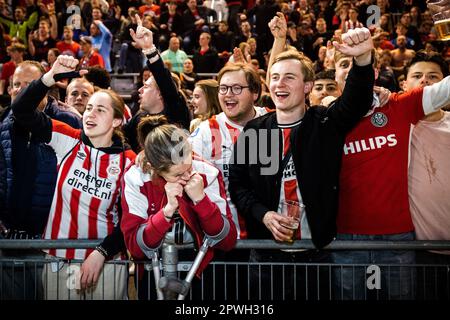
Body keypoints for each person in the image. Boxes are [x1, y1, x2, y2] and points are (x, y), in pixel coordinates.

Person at [228, 17, 375, 300]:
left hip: (317, 256)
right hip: (267, 259)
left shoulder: (324, 123)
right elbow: (239, 186)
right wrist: (264, 214)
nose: (279, 83)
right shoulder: (255, 131)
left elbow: (356, 100)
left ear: (308, 87)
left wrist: (363, 59)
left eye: (289, 77)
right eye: (274, 77)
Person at [10, 55, 136, 300]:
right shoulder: (68, 138)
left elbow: (131, 220)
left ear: (117, 120)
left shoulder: (129, 161)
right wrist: (49, 77)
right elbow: (21, 110)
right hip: (59, 259)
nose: (90, 114)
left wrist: (101, 253)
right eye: (89, 108)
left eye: (100, 109)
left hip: (106, 262)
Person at [333, 46, 450, 301]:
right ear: (335, 76)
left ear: (373, 74)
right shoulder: (323, 117)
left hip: (399, 237)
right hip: (346, 238)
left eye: (360, 68)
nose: (352, 73)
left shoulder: (399, 106)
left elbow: (444, 89)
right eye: (345, 66)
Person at [121, 115, 237, 300]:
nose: (187, 176)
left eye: (189, 167)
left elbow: (227, 240)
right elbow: (136, 247)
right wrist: (166, 212)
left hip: (200, 268)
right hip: (154, 271)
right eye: (177, 174)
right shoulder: (136, 177)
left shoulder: (206, 171)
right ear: (155, 169)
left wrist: (201, 200)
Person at [0, 60, 81, 299]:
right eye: (17, 84)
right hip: (10, 238)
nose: (22, 90)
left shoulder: (68, 120)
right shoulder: (4, 120)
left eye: (29, 84)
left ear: (44, 86)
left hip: (50, 241)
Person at [405, 51, 450, 299]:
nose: (425, 81)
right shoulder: (397, 127)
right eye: (417, 76)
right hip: (418, 252)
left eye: (433, 76)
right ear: (404, 84)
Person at [124, 14, 191, 153]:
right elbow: (120, 139)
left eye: (146, 86)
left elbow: (164, 80)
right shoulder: (139, 117)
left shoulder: (175, 111)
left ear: (161, 93)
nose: (140, 90)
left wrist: (149, 49)